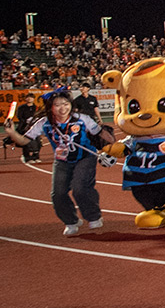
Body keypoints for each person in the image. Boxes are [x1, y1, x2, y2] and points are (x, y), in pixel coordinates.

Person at [4, 87, 114, 236]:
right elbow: (24, 141)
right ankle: (71, 221)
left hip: (85, 158)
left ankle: (93, 216)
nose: (62, 108)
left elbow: (100, 133)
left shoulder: (82, 119)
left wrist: (115, 146)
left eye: (65, 104)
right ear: (50, 107)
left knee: (80, 188)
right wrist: (11, 132)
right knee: (58, 194)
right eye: (57, 105)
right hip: (62, 161)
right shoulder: (44, 123)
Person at [15, 92, 41, 163]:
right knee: (26, 142)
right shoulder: (21, 107)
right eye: (28, 97)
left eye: (31, 97)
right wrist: (26, 121)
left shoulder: (36, 108)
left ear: (33, 99)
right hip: (25, 127)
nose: (29, 99)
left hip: (35, 127)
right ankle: (27, 157)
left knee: (38, 142)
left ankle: (36, 157)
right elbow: (19, 117)